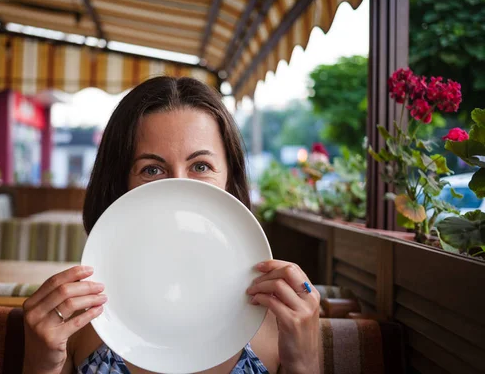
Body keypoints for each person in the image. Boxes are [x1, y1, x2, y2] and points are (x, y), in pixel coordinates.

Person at [22, 77, 320, 374]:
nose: (179, 186)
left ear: (230, 178)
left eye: (200, 166)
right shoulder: (78, 317)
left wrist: (304, 362)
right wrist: (39, 364)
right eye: (152, 170)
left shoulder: (277, 319)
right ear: (120, 184)